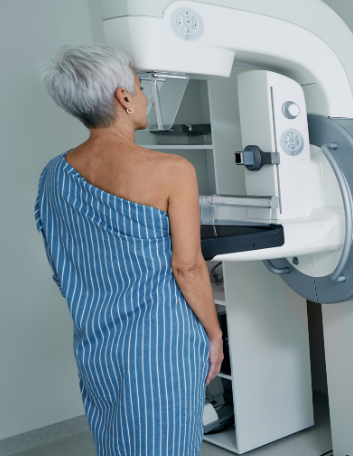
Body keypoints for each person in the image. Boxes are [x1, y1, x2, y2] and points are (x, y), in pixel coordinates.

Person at [35, 43, 223, 455]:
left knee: (117, 444)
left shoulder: (53, 175)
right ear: (123, 98)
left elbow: (62, 266)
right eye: (140, 87)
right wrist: (214, 333)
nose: (146, 97)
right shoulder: (172, 170)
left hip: (97, 346)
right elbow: (188, 268)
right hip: (162, 346)